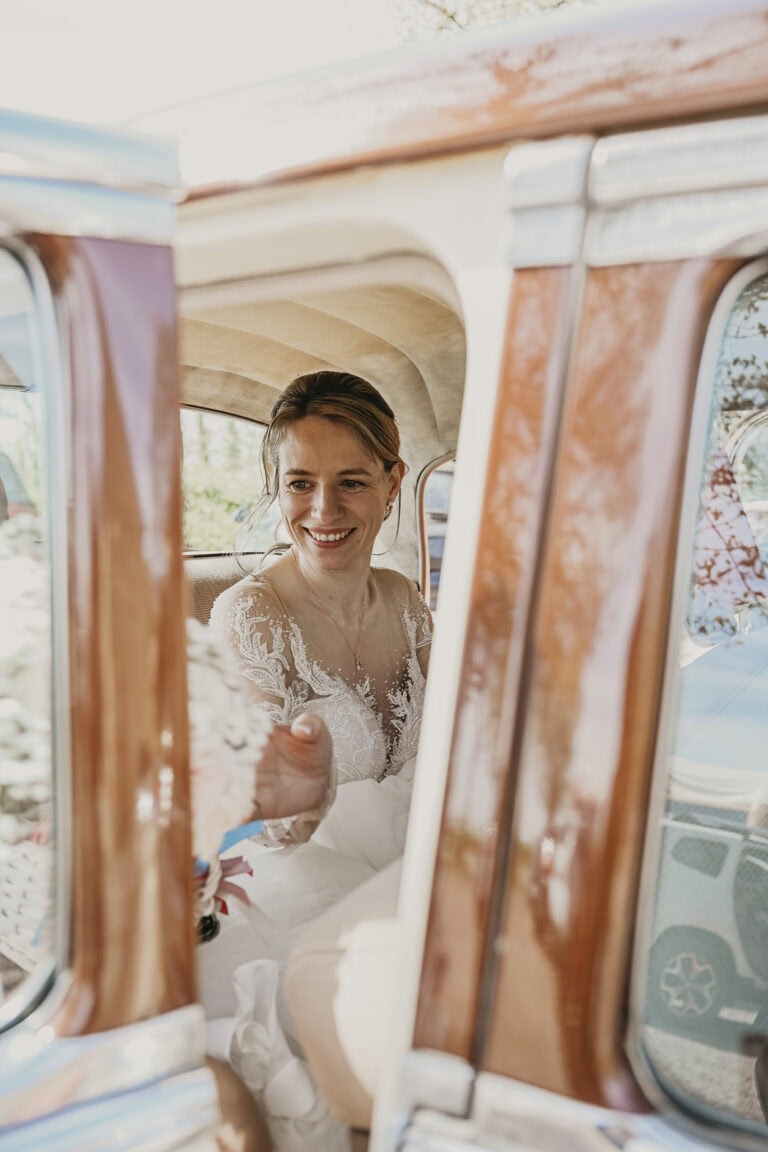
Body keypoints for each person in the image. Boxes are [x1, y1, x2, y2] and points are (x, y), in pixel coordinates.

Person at [203, 371, 432, 1152]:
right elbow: (266, 828)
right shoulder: (249, 615)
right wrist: (299, 801)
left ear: (394, 482)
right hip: (300, 882)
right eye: (301, 483)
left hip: (412, 858)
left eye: (352, 483)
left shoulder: (407, 599)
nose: (324, 512)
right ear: (277, 486)